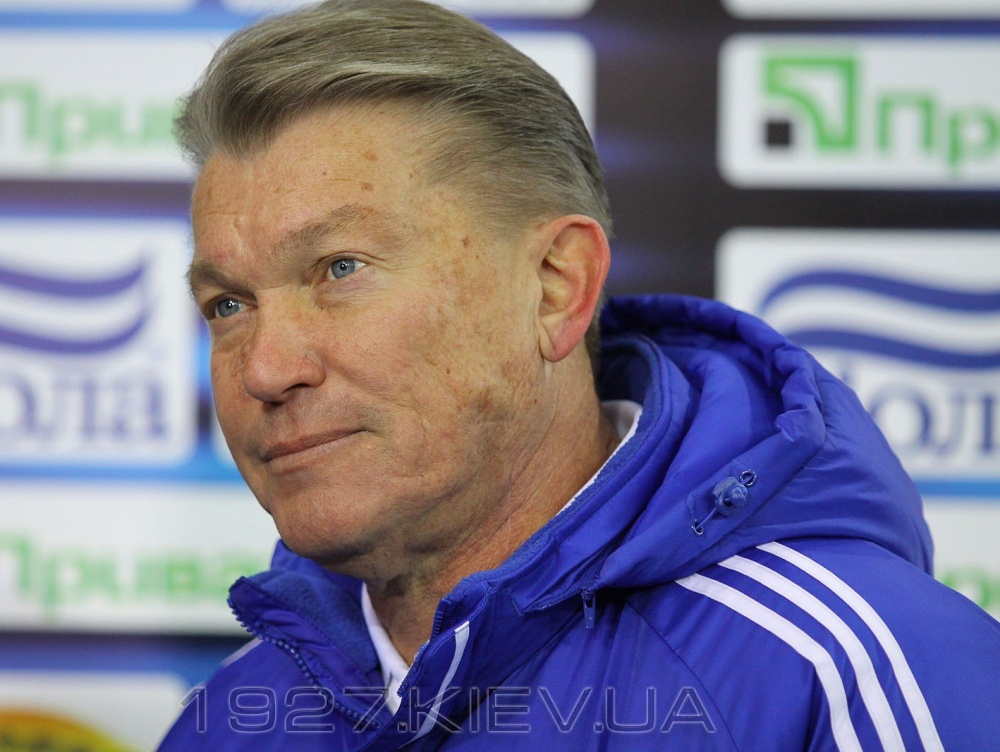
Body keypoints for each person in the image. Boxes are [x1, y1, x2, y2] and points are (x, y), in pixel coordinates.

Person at [158, 1, 1000, 748]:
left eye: (341, 268)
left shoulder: (848, 674)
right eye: (228, 304)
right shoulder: (225, 721)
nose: (266, 368)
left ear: (555, 287)